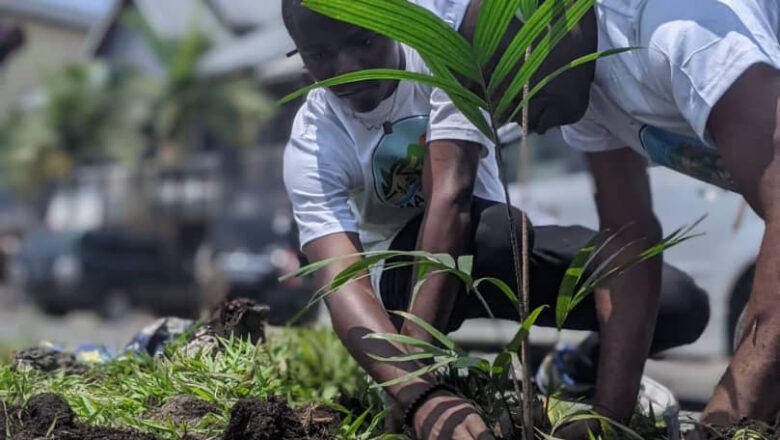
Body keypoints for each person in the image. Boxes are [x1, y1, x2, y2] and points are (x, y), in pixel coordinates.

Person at [281, 0, 708, 438]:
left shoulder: (442, 53)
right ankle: (416, 377)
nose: (347, 67)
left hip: (492, 243)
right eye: (319, 55)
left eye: (363, 41)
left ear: (391, 19)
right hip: (397, 293)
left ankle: (570, 373)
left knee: (676, 304)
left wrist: (418, 390)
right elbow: (342, 280)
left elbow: (452, 197)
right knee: (493, 232)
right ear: (299, 54)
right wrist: (416, 391)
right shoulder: (314, 139)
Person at [498, 0, 780, 435]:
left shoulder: (676, 33)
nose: (515, 119)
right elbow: (628, 235)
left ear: (542, 21)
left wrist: (719, 427)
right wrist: (607, 418)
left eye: (506, 82)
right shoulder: (583, 87)